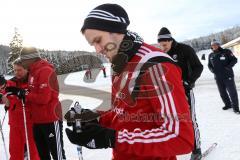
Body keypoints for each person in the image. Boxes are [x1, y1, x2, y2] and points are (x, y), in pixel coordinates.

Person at [65, 3, 194, 160]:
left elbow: (180, 138)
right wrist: (94, 118)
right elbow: (122, 111)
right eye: (93, 44)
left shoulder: (155, 65)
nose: (97, 50)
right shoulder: (119, 63)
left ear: (117, 31)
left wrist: (113, 138)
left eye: (98, 40)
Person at [6, 47, 66, 160]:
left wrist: (24, 93)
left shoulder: (45, 70)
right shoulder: (32, 72)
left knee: (57, 154)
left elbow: (44, 98)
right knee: (42, 155)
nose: (22, 64)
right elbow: (31, 92)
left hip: (50, 119)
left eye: (23, 61)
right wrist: (19, 92)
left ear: (30, 59)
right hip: (37, 121)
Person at [157, 27, 203, 159]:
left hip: (185, 91)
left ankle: (196, 149)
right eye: (160, 45)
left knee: (190, 119)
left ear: (170, 40)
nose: (162, 47)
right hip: (169, 94)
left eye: (164, 44)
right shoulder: (161, 55)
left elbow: (198, 67)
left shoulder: (185, 49)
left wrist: (189, 81)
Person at [0, 60, 40, 160]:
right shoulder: (10, 83)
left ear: (26, 69)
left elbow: (37, 99)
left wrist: (22, 94)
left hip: (29, 123)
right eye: (15, 70)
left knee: (33, 152)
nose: (17, 72)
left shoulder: (32, 81)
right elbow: (3, 97)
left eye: (19, 70)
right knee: (15, 152)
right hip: (14, 123)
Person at [208, 39, 239, 114]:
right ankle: (228, 104)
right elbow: (209, 65)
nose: (214, 46)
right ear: (211, 47)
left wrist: (228, 67)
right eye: (212, 45)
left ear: (218, 45)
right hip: (218, 77)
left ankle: (236, 108)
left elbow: (234, 60)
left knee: (232, 92)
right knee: (222, 93)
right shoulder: (211, 55)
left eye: (215, 44)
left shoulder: (226, 52)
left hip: (228, 76)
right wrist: (212, 70)